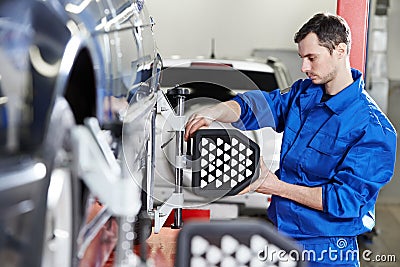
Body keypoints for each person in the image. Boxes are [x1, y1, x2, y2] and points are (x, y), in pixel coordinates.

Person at [184, 13, 397, 266]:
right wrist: (215, 110)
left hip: (327, 251)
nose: (304, 67)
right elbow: (261, 105)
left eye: (312, 58)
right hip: (280, 237)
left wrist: (273, 186)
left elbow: (346, 200)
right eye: (302, 58)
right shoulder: (304, 94)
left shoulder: (373, 128)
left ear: (340, 51)